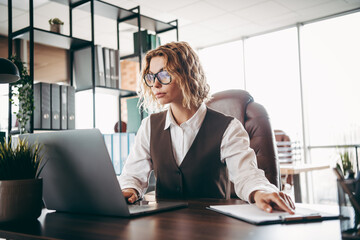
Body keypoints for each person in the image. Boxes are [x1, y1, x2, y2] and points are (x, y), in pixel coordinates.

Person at [119, 41, 295, 214]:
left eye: (164, 75)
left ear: (187, 75)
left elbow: (247, 175)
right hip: (163, 225)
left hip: (212, 224)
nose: (155, 84)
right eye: (151, 77)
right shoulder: (149, 126)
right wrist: (130, 190)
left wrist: (261, 191)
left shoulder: (228, 128)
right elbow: (133, 175)